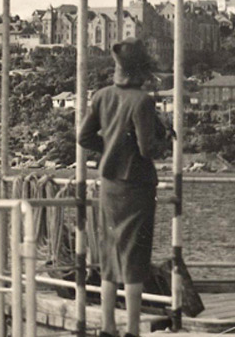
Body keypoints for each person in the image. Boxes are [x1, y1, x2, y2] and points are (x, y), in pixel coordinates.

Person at [77, 38, 165, 337]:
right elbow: (146, 149)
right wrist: (165, 139)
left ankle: (108, 326)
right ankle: (132, 330)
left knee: (110, 252)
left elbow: (84, 137)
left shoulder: (102, 96)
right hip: (136, 185)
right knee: (135, 256)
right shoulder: (142, 101)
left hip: (109, 184)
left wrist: (110, 149)